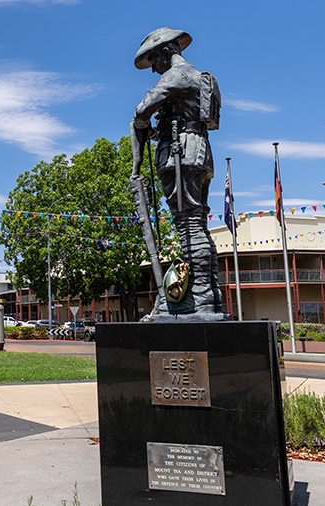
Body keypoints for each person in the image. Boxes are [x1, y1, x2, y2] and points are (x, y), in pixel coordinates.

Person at [131, 27, 223, 315]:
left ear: (165, 51)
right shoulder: (197, 75)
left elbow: (141, 111)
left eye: (154, 60)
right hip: (198, 151)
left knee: (188, 224)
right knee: (197, 224)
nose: (153, 68)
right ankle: (209, 291)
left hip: (180, 154)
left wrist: (143, 126)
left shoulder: (177, 75)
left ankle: (199, 295)